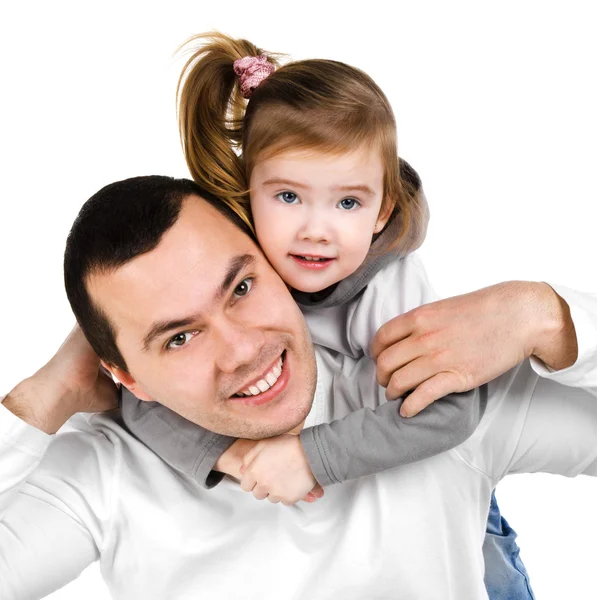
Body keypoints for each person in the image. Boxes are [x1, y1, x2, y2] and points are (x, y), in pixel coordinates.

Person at [1, 175, 595, 599]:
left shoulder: (419, 391)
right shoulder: (103, 472)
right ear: (127, 376)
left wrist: (545, 315)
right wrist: (41, 398)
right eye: (179, 338)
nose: (241, 350)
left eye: (240, 288)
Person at [121, 33, 533, 596]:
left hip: (429, 496)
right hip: (309, 525)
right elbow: (142, 388)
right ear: (248, 193)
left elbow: (451, 413)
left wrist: (311, 458)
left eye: (347, 203)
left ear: (381, 207)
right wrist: (231, 456)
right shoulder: (226, 265)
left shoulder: (390, 281)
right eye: (288, 197)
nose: (317, 229)